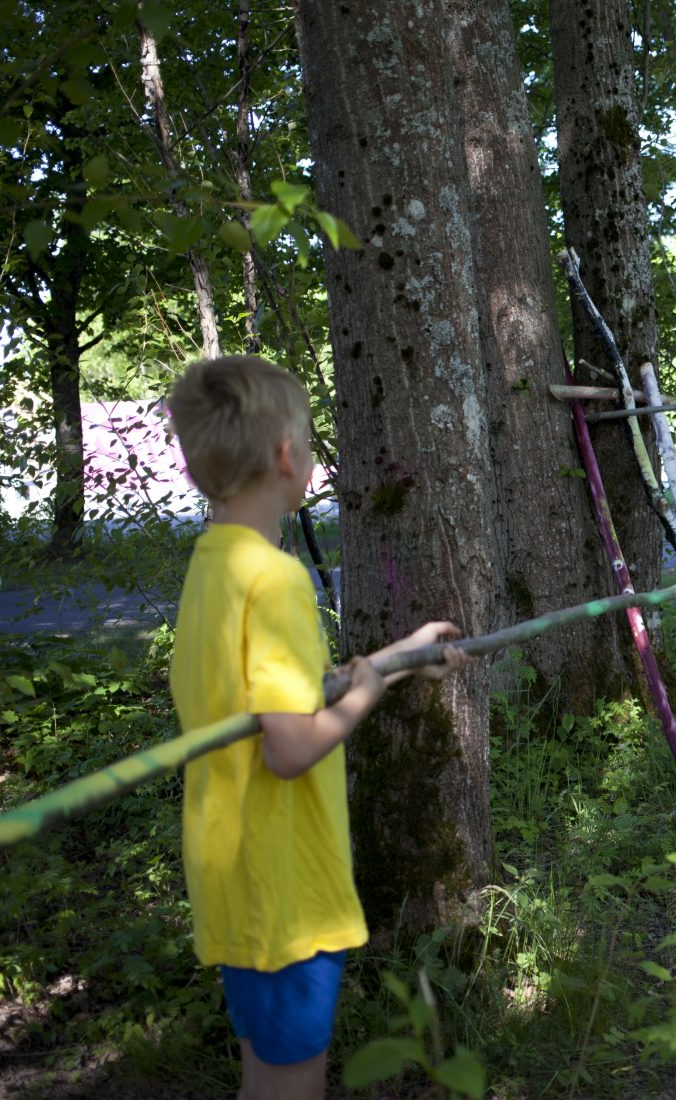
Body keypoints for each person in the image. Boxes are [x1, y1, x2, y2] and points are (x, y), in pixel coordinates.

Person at [166, 355, 468, 1099]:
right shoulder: (275, 580)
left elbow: (280, 696)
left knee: (264, 1072)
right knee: (290, 1084)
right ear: (284, 456)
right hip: (284, 880)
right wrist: (366, 697)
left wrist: (398, 660)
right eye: (308, 438)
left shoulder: (216, 565)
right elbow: (291, 745)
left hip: (234, 874)